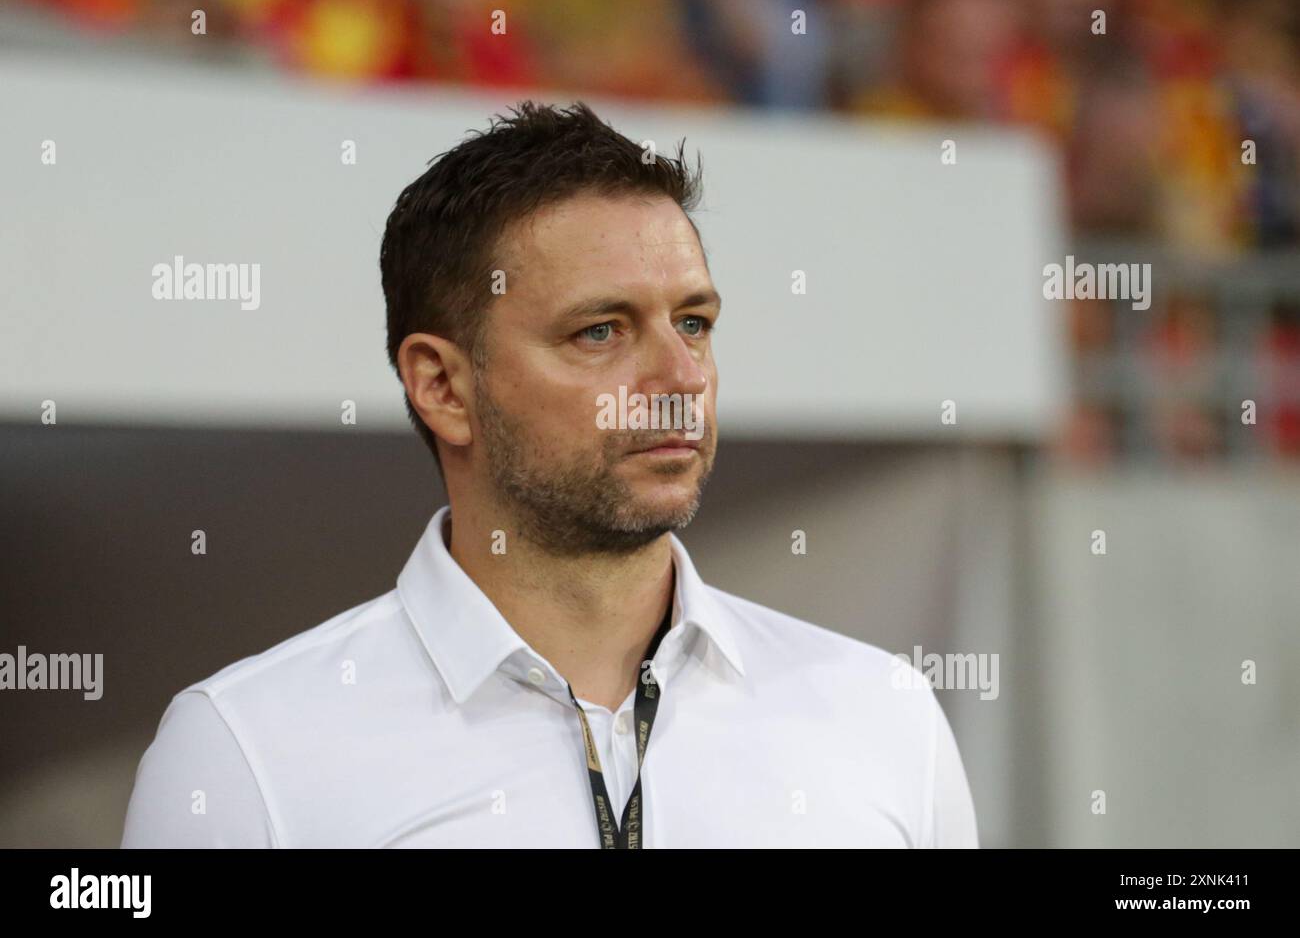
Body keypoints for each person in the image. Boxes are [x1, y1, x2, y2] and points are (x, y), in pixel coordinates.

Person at [121, 101, 978, 848]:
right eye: (601, 331)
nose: (681, 379)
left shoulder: (885, 715)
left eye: (694, 322)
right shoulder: (246, 751)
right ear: (443, 387)